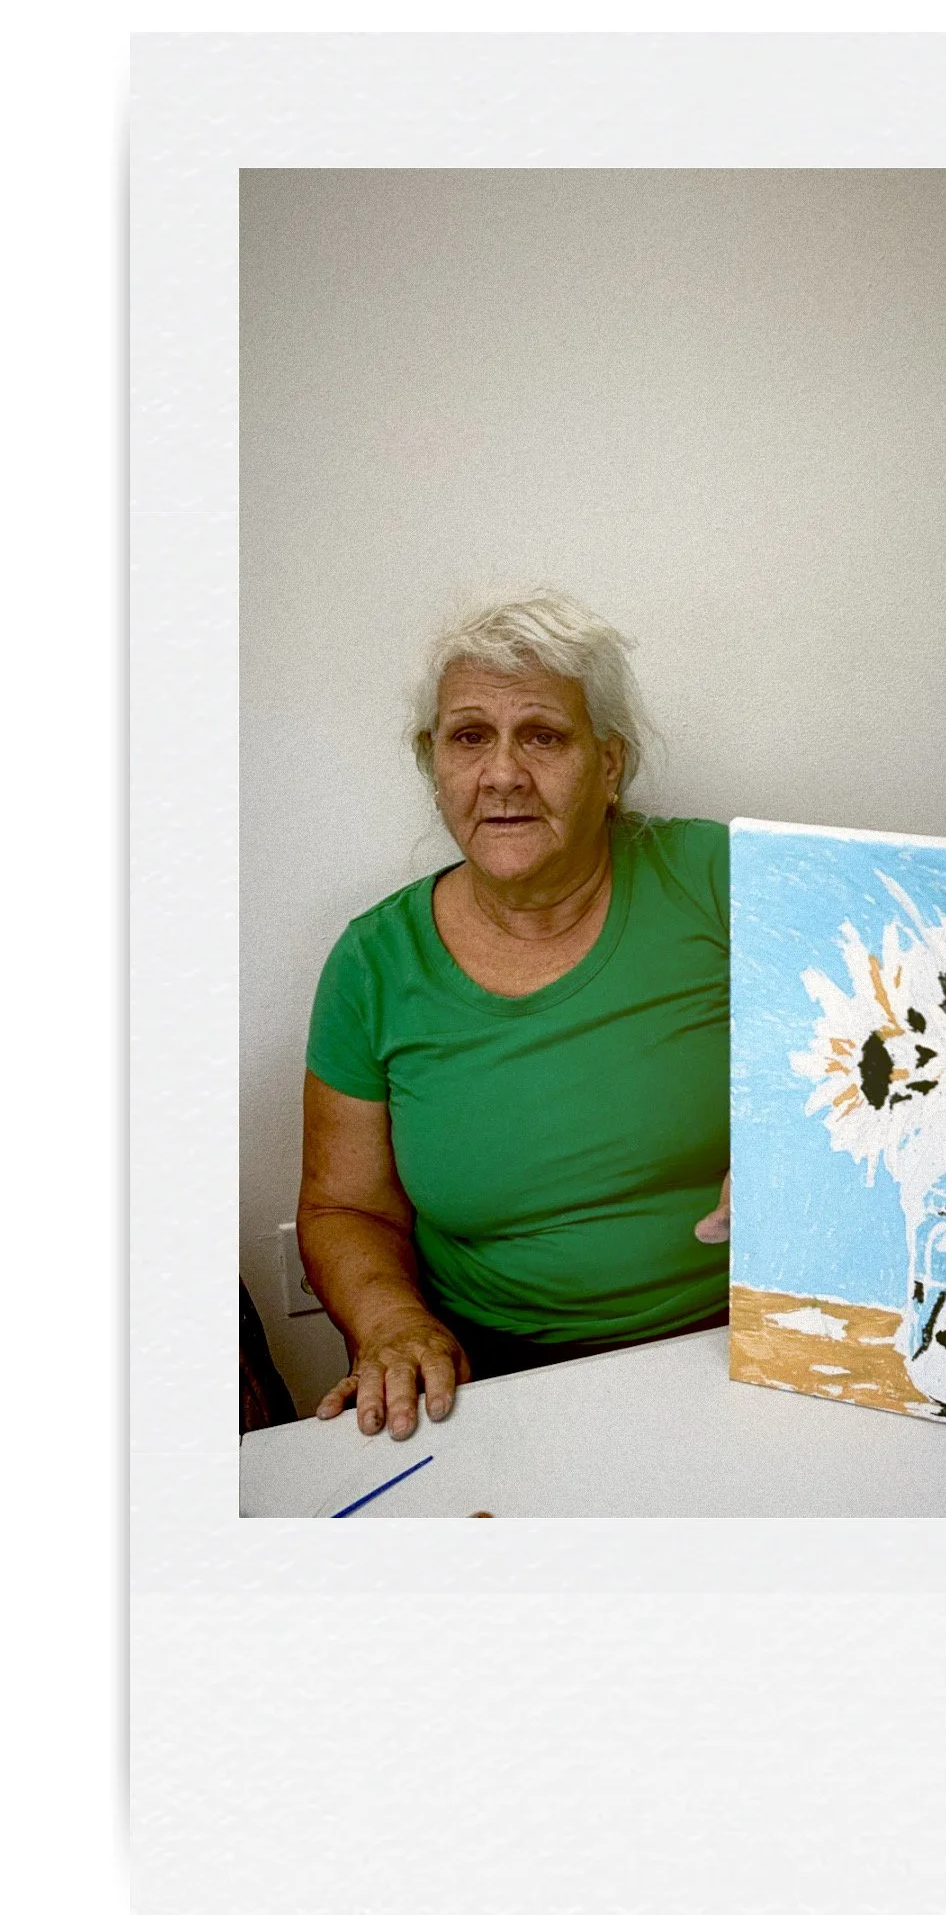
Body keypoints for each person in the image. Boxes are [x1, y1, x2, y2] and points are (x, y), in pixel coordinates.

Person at [299, 589, 731, 1440]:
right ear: (434, 766)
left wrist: (805, 1159)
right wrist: (393, 1324)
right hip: (499, 1374)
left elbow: (899, 1049)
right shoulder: (373, 964)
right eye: (469, 737)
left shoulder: (719, 877)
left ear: (609, 765)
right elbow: (345, 1210)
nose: (502, 774)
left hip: (738, 1337)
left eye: (542, 735)